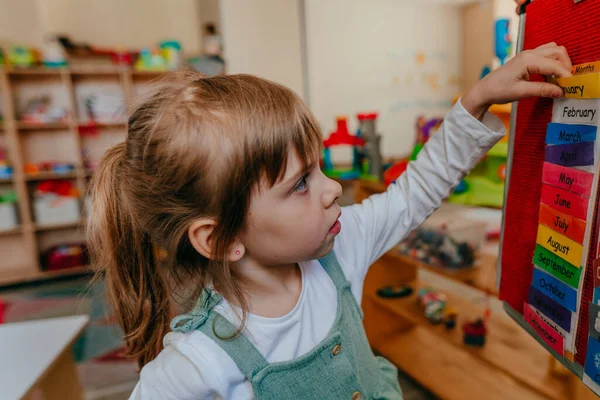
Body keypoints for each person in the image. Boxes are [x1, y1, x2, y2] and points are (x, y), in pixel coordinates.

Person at [87, 43, 572, 399]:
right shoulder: (199, 362)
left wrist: (479, 98)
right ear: (222, 238)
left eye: (320, 167)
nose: (332, 188)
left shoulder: (340, 248)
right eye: (300, 183)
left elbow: (415, 191)